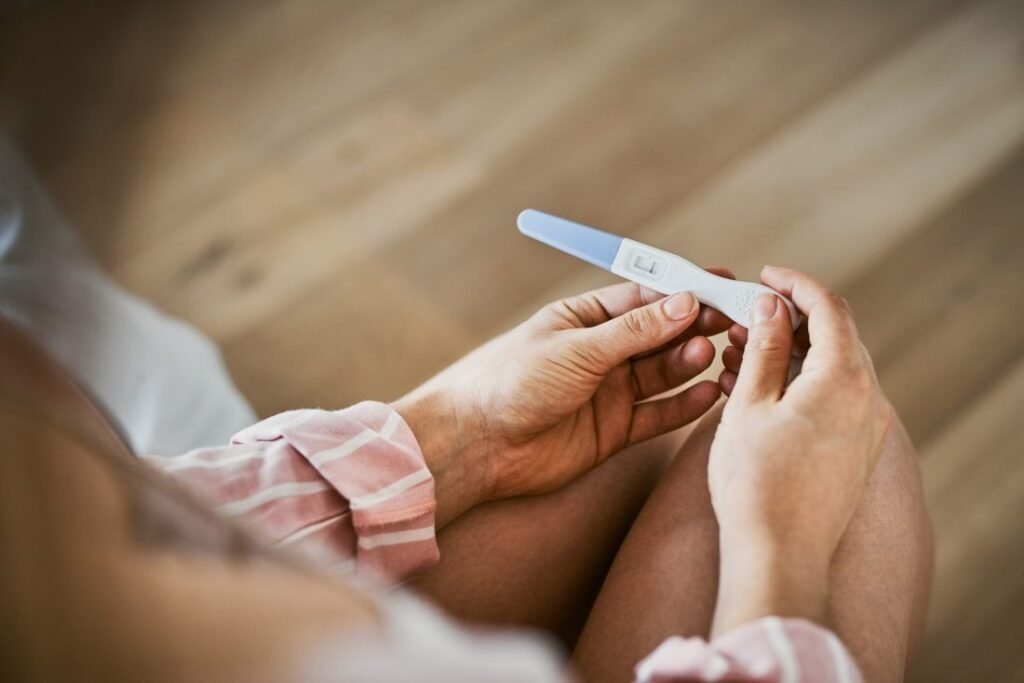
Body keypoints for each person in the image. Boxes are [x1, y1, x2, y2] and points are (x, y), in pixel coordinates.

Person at [0, 136, 932, 682]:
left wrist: (454, 435)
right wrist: (783, 548)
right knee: (853, 481)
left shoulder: (70, 558)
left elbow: (168, 520)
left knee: (667, 446)